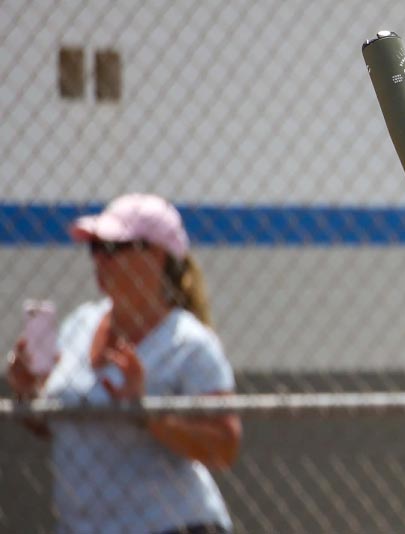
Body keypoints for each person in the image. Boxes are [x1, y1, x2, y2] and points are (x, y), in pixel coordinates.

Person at [7, 193, 240, 534]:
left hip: (170, 526)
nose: (100, 260)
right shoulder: (81, 324)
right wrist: (27, 392)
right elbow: (60, 425)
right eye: (95, 249)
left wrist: (146, 415)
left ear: (156, 256)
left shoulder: (187, 342)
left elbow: (224, 446)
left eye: (113, 249)